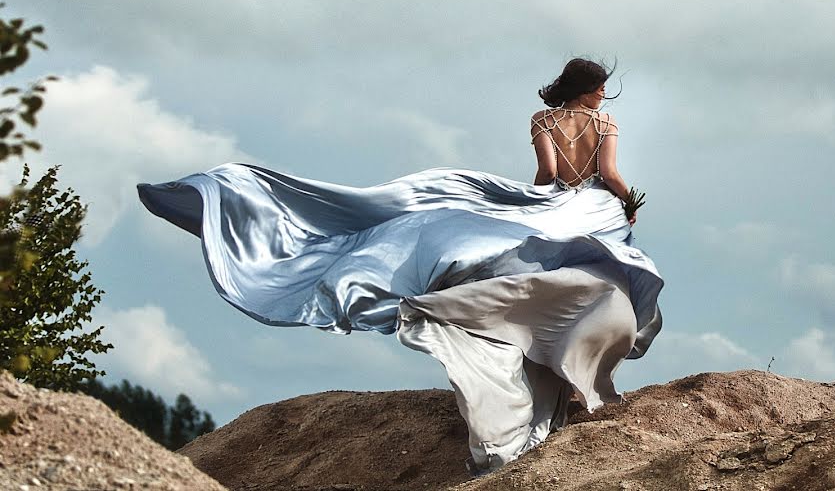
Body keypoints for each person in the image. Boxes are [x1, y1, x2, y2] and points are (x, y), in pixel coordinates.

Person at [136, 57, 663, 476]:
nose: (604, 96)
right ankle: (575, 378)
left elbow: (547, 175)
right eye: (600, 88)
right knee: (600, 280)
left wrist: (522, 206)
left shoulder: (544, 119)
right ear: (588, 88)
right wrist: (628, 202)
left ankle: (545, 366)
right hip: (594, 205)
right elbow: (612, 174)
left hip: (558, 202)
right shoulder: (604, 122)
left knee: (533, 279)